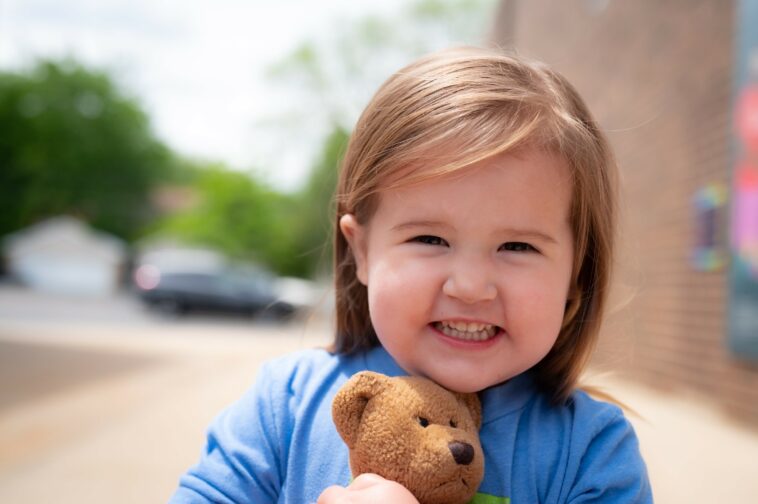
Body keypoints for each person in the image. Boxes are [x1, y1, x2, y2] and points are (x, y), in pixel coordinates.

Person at [170, 46, 653, 503]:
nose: (469, 286)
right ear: (361, 250)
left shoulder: (591, 450)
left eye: (517, 246)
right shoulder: (286, 404)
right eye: (430, 240)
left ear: (575, 273)